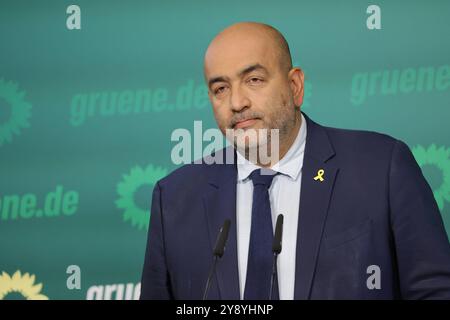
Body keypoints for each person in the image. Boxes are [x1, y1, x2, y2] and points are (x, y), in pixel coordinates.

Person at [140, 22, 450, 300]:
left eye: (254, 80)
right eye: (221, 88)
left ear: (295, 86)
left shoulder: (382, 168)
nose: (237, 102)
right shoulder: (175, 198)